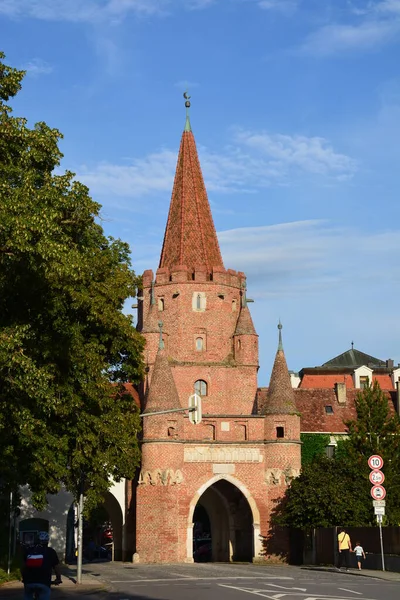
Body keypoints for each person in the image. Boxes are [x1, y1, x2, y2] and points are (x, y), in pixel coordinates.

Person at [22, 531, 62, 600]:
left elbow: (22, 566)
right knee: (44, 593)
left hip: (29, 582)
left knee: (28, 594)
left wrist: (24, 578)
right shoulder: (51, 551)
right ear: (47, 541)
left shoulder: (29, 550)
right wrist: (58, 578)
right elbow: (56, 567)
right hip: (44, 582)